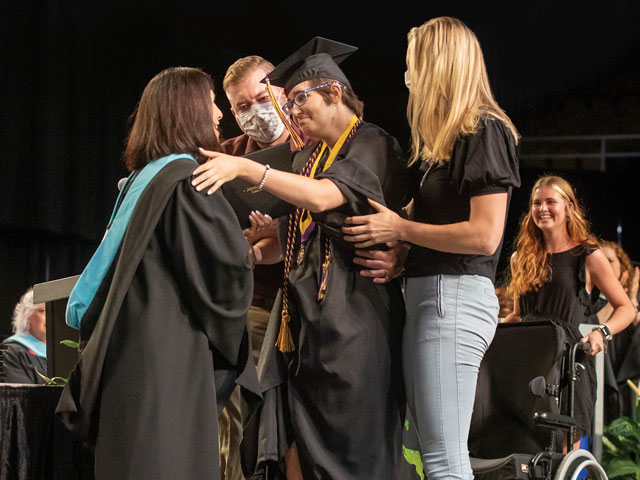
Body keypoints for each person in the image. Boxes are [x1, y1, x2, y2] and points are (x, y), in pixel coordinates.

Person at [192, 37, 409, 480]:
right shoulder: (309, 157)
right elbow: (291, 236)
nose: (292, 113)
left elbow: (328, 197)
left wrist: (251, 169)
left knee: (354, 447)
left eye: (298, 100)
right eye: (288, 104)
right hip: (308, 323)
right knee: (301, 445)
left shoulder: (370, 143)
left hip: (355, 321)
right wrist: (249, 251)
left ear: (333, 92)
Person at [55, 67, 259, 480]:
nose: (219, 115)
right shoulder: (186, 179)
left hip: (127, 356)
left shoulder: (141, 180)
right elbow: (223, 272)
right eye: (210, 103)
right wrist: (252, 248)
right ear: (187, 112)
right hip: (168, 362)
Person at [342, 17, 521, 480]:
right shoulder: (441, 144)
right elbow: (434, 224)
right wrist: (400, 256)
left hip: (455, 297)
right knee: (427, 449)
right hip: (431, 295)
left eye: (412, 65)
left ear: (437, 65)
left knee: (443, 457)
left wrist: (401, 228)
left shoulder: (484, 130)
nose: (407, 77)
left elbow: (484, 235)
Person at [503, 176, 635, 446]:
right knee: (525, 446)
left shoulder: (588, 256)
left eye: (551, 202)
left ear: (568, 207)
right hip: (528, 358)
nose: (542, 208)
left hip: (568, 362)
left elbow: (626, 308)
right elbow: (518, 315)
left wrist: (602, 332)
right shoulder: (521, 258)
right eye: (536, 203)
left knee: (564, 447)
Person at [218, 54, 291, 480]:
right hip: (255, 302)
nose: (255, 112)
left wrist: (286, 233)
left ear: (282, 90)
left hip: (314, 302)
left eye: (261, 98)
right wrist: (243, 242)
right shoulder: (224, 157)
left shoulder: (314, 147)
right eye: (242, 107)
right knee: (231, 397)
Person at [586, 240, 640, 422]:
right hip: (600, 387)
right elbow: (588, 325)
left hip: (628, 388)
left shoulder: (633, 302)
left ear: (624, 270)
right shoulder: (588, 301)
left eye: (609, 260)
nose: (601, 262)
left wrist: (630, 300)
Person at [1, 288, 47, 383]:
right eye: (43, 311)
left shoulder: (64, 352)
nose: (50, 316)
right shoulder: (10, 352)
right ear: (26, 316)